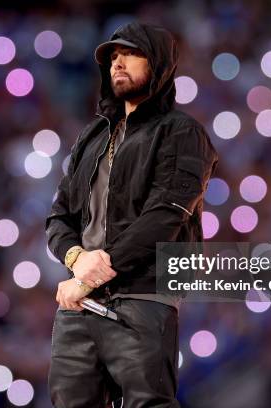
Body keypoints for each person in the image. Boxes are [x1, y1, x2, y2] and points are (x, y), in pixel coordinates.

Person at [45, 21, 218, 407]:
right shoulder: (92, 136)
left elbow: (165, 216)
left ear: (158, 65)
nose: (118, 63)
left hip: (142, 298)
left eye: (131, 54)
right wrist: (75, 259)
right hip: (78, 306)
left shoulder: (181, 132)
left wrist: (89, 275)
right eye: (113, 56)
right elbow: (59, 217)